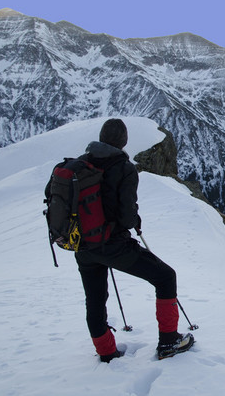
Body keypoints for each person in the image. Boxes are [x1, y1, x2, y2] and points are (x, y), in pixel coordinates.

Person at [51, 118, 194, 362]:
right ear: (124, 141)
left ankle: (106, 352)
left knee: (95, 300)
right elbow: (126, 216)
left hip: (83, 246)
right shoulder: (124, 168)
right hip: (114, 245)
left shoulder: (82, 164)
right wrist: (135, 221)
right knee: (165, 276)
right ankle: (169, 341)